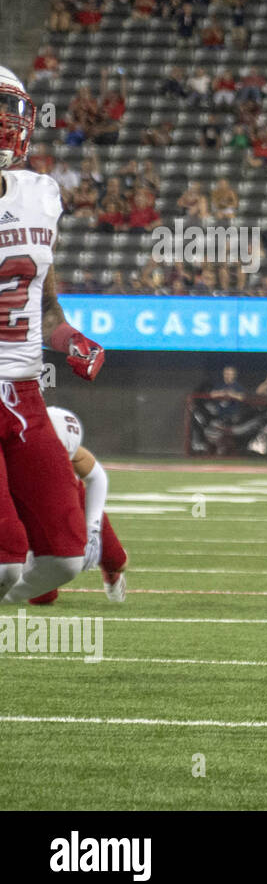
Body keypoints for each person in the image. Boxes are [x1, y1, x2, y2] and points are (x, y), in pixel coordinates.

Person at [0, 65, 108, 604]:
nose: (6, 120)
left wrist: (67, 337)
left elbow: (42, 296)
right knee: (3, 558)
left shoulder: (39, 193)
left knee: (63, 558)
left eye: (10, 107)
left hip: (23, 392)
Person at [15, 406, 127, 605]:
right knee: (41, 597)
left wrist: (93, 529)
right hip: (32, 503)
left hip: (69, 496)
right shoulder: (16, 445)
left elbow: (97, 477)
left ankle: (111, 573)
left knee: (117, 560)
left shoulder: (63, 442)